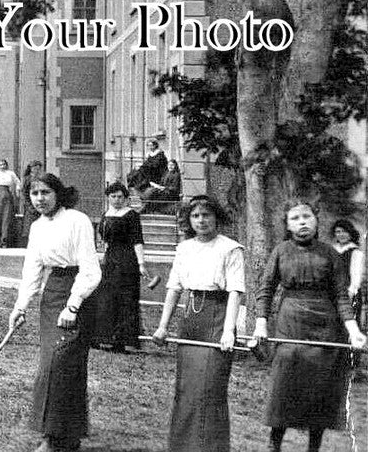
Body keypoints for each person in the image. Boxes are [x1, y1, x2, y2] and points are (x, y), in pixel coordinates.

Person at [251, 201, 366, 452]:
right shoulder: (281, 251)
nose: (302, 222)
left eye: (307, 216)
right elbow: (266, 289)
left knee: (320, 386)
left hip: (326, 325)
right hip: (290, 322)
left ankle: (314, 446)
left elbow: (341, 296)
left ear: (316, 219)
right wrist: (261, 325)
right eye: (295, 218)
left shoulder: (331, 254)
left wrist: (354, 331)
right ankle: (275, 443)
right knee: (284, 383)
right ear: (288, 224)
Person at [9, 172, 101, 452]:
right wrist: (20, 306)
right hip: (52, 296)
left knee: (61, 367)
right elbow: (32, 271)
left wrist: (73, 305)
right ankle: (67, 436)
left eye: (45, 192)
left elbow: (90, 269)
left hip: (78, 296)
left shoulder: (77, 220)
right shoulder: (37, 227)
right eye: (35, 194)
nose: (40, 199)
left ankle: (52, 438)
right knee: (53, 366)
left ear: (58, 193)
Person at [151, 194, 245, 452]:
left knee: (210, 389)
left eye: (206, 215)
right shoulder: (184, 248)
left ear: (216, 217)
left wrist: (228, 331)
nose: (201, 220)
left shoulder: (231, 248)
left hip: (217, 317)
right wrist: (162, 326)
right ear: (188, 220)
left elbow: (236, 291)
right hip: (191, 319)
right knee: (187, 389)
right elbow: (173, 287)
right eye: (195, 216)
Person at [92, 182, 147, 353]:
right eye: (113, 196)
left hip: (127, 261)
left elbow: (137, 240)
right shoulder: (106, 214)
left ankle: (124, 340)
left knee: (126, 299)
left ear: (125, 198)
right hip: (110, 260)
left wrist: (141, 264)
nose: (116, 200)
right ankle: (105, 337)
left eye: (120, 197)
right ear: (108, 197)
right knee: (107, 298)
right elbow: (104, 239)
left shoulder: (131, 215)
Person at [332, 219, 365, 379]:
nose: (341, 235)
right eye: (338, 232)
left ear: (350, 233)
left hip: (349, 294)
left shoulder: (355, 252)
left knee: (351, 328)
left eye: (344, 231)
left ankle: (352, 367)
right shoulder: (332, 250)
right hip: (332, 295)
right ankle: (335, 365)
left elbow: (356, 278)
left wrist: (349, 294)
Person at [18, 161, 44, 245]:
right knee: (29, 226)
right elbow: (24, 193)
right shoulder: (27, 179)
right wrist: (29, 205)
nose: (37, 170)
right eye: (35, 168)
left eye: (39, 168)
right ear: (31, 169)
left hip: (39, 205)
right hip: (30, 206)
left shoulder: (41, 179)